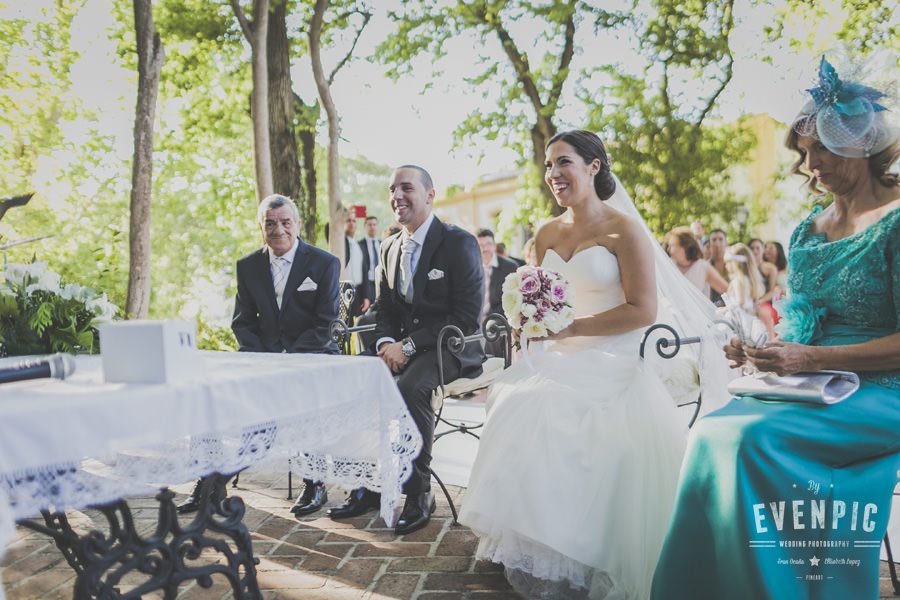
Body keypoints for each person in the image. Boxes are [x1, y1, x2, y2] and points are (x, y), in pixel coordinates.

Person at [652, 53, 900, 599]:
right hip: (813, 384)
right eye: (804, 153)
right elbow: (805, 320)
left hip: (885, 391)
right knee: (709, 434)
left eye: (821, 149)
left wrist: (811, 359)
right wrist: (766, 351)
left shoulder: (897, 220)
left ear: (860, 143)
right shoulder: (809, 229)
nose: (810, 165)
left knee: (749, 441)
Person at [459, 130, 725, 599]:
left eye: (563, 162)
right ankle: (539, 546)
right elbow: (538, 297)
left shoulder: (625, 230)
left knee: (564, 413)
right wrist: (527, 323)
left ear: (593, 166)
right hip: (557, 354)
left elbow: (643, 310)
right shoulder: (545, 232)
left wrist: (571, 329)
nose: (553, 174)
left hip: (615, 353)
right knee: (515, 400)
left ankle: (588, 554)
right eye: (548, 165)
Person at [327, 165, 485, 536]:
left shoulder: (457, 242)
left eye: (406, 188)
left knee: (411, 388)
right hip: (400, 345)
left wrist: (409, 346)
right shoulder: (389, 246)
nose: (397, 196)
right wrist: (385, 344)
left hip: (450, 345)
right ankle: (367, 485)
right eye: (392, 189)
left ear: (430, 195)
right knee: (354, 377)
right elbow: (385, 307)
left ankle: (419, 492)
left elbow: (465, 316)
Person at [179, 194, 341, 516]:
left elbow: (326, 325)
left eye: (285, 222)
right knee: (210, 395)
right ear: (260, 227)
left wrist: (287, 358)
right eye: (270, 224)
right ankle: (209, 479)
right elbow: (243, 323)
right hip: (262, 359)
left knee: (301, 400)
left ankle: (315, 482)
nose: (278, 230)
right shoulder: (248, 266)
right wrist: (264, 360)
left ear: (297, 224)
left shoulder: (324, 263)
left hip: (312, 357)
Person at [476, 228, 519, 357]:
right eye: (480, 245)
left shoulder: (510, 267)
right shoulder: (471, 266)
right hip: (475, 316)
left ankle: (495, 363)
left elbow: (514, 299)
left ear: (494, 246)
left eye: (488, 244)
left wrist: (488, 317)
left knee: (491, 328)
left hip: (498, 315)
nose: (485, 249)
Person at [666, 226, 728, 298]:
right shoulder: (669, 266)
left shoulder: (703, 267)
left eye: (672, 246)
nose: (668, 249)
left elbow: (728, 290)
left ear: (683, 247)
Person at [359, 215, 380, 312]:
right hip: (367, 284)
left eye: (374, 224)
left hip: (380, 283)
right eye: (370, 225)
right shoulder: (359, 245)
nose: (372, 227)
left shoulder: (382, 244)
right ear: (365, 227)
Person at [707, 228, 728, 304]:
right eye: (714, 240)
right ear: (709, 244)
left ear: (726, 243)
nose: (717, 243)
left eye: (721, 239)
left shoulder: (735, 266)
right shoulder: (705, 267)